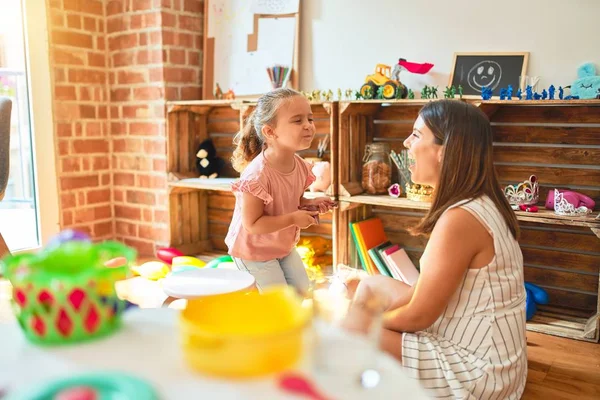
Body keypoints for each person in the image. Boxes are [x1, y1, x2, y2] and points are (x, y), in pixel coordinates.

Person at [350, 100, 527, 399]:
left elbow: (420, 316)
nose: (406, 143)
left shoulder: (461, 218)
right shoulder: (478, 201)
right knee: (368, 285)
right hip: (490, 350)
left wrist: (368, 324)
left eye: (416, 135)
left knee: (349, 328)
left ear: (444, 151)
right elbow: (421, 293)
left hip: (480, 372)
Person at [225, 88, 336, 294]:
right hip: (253, 251)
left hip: (280, 245)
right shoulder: (256, 176)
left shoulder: (300, 166)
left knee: (301, 290)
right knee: (279, 301)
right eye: (297, 120)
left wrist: (311, 203)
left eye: (309, 119)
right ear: (269, 132)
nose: (308, 126)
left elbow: (291, 200)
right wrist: (294, 218)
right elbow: (253, 224)